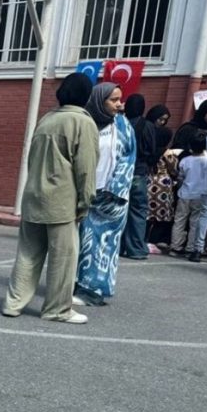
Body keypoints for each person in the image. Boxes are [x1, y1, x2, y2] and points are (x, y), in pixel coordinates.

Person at [0, 73, 98, 324]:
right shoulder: (83, 123)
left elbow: (32, 158)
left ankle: (13, 303)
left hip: (33, 194)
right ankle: (56, 309)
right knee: (63, 258)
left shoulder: (46, 119)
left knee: (28, 253)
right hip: (62, 199)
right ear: (86, 96)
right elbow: (85, 169)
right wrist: (85, 202)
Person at [74, 82, 136, 307]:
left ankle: (94, 288)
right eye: (113, 100)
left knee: (103, 243)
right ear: (99, 101)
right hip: (85, 192)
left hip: (110, 197)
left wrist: (116, 189)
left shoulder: (122, 125)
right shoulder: (86, 122)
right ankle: (78, 283)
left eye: (120, 99)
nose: (119, 105)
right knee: (82, 241)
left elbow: (129, 157)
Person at [119, 94, 155, 260]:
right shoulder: (147, 126)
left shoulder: (120, 123)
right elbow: (151, 150)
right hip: (139, 172)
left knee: (119, 210)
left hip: (121, 172)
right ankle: (136, 248)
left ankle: (118, 245)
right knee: (138, 211)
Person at [170, 132, 207, 262]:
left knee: (179, 220)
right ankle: (191, 248)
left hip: (185, 193)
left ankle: (175, 246)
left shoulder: (185, 160)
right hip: (200, 195)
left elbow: (181, 177)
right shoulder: (206, 161)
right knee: (195, 222)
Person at [143, 105, 175, 249]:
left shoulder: (150, 149)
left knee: (147, 214)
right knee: (160, 216)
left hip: (149, 182)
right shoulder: (168, 153)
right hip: (164, 185)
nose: (162, 122)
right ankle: (153, 241)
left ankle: (143, 238)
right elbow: (174, 169)